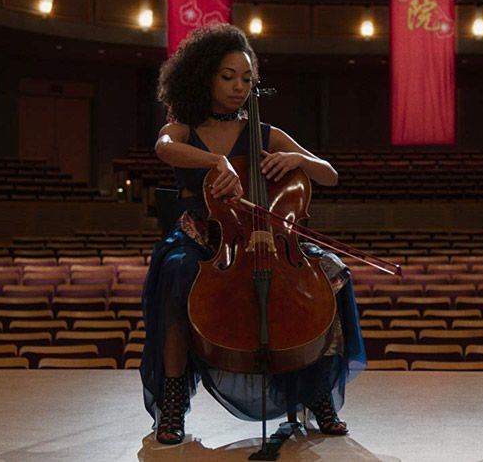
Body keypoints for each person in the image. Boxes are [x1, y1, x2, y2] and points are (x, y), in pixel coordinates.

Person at [140, 23, 365, 445]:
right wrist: (216, 162)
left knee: (331, 274)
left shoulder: (264, 133)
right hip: (202, 237)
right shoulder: (186, 128)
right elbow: (163, 147)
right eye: (228, 76)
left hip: (265, 237)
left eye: (247, 78)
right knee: (176, 276)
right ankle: (172, 403)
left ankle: (317, 395)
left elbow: (329, 175)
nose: (239, 86)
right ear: (203, 75)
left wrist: (294, 156)